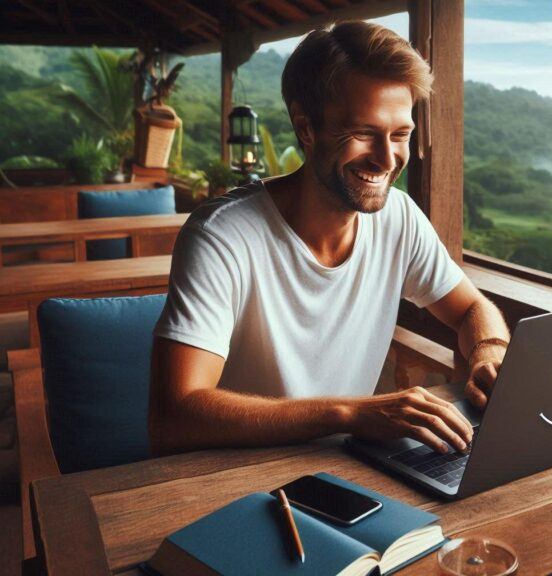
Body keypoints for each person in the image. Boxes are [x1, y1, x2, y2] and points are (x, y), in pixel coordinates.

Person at [148, 21, 509, 457]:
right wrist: (348, 414)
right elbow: (174, 415)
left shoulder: (399, 218)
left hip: (345, 465)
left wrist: (488, 351)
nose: (387, 158)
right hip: (233, 475)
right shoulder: (222, 236)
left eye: (400, 135)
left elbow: (471, 307)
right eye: (363, 133)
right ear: (306, 128)